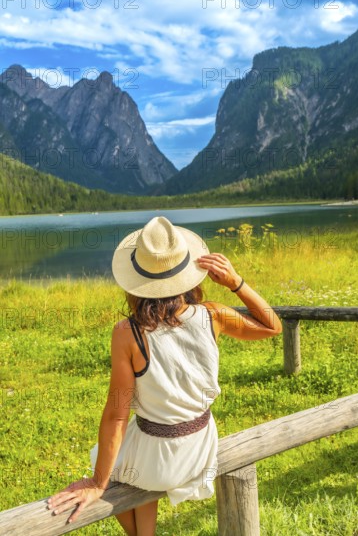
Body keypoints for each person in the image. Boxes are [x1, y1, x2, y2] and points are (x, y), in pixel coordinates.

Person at [47, 216, 282, 535]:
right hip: (200, 447)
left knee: (112, 458)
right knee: (140, 448)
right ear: (187, 273)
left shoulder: (127, 333)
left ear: (136, 280)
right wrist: (236, 283)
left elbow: (117, 414)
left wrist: (98, 482)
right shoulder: (212, 314)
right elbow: (272, 326)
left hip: (160, 456)